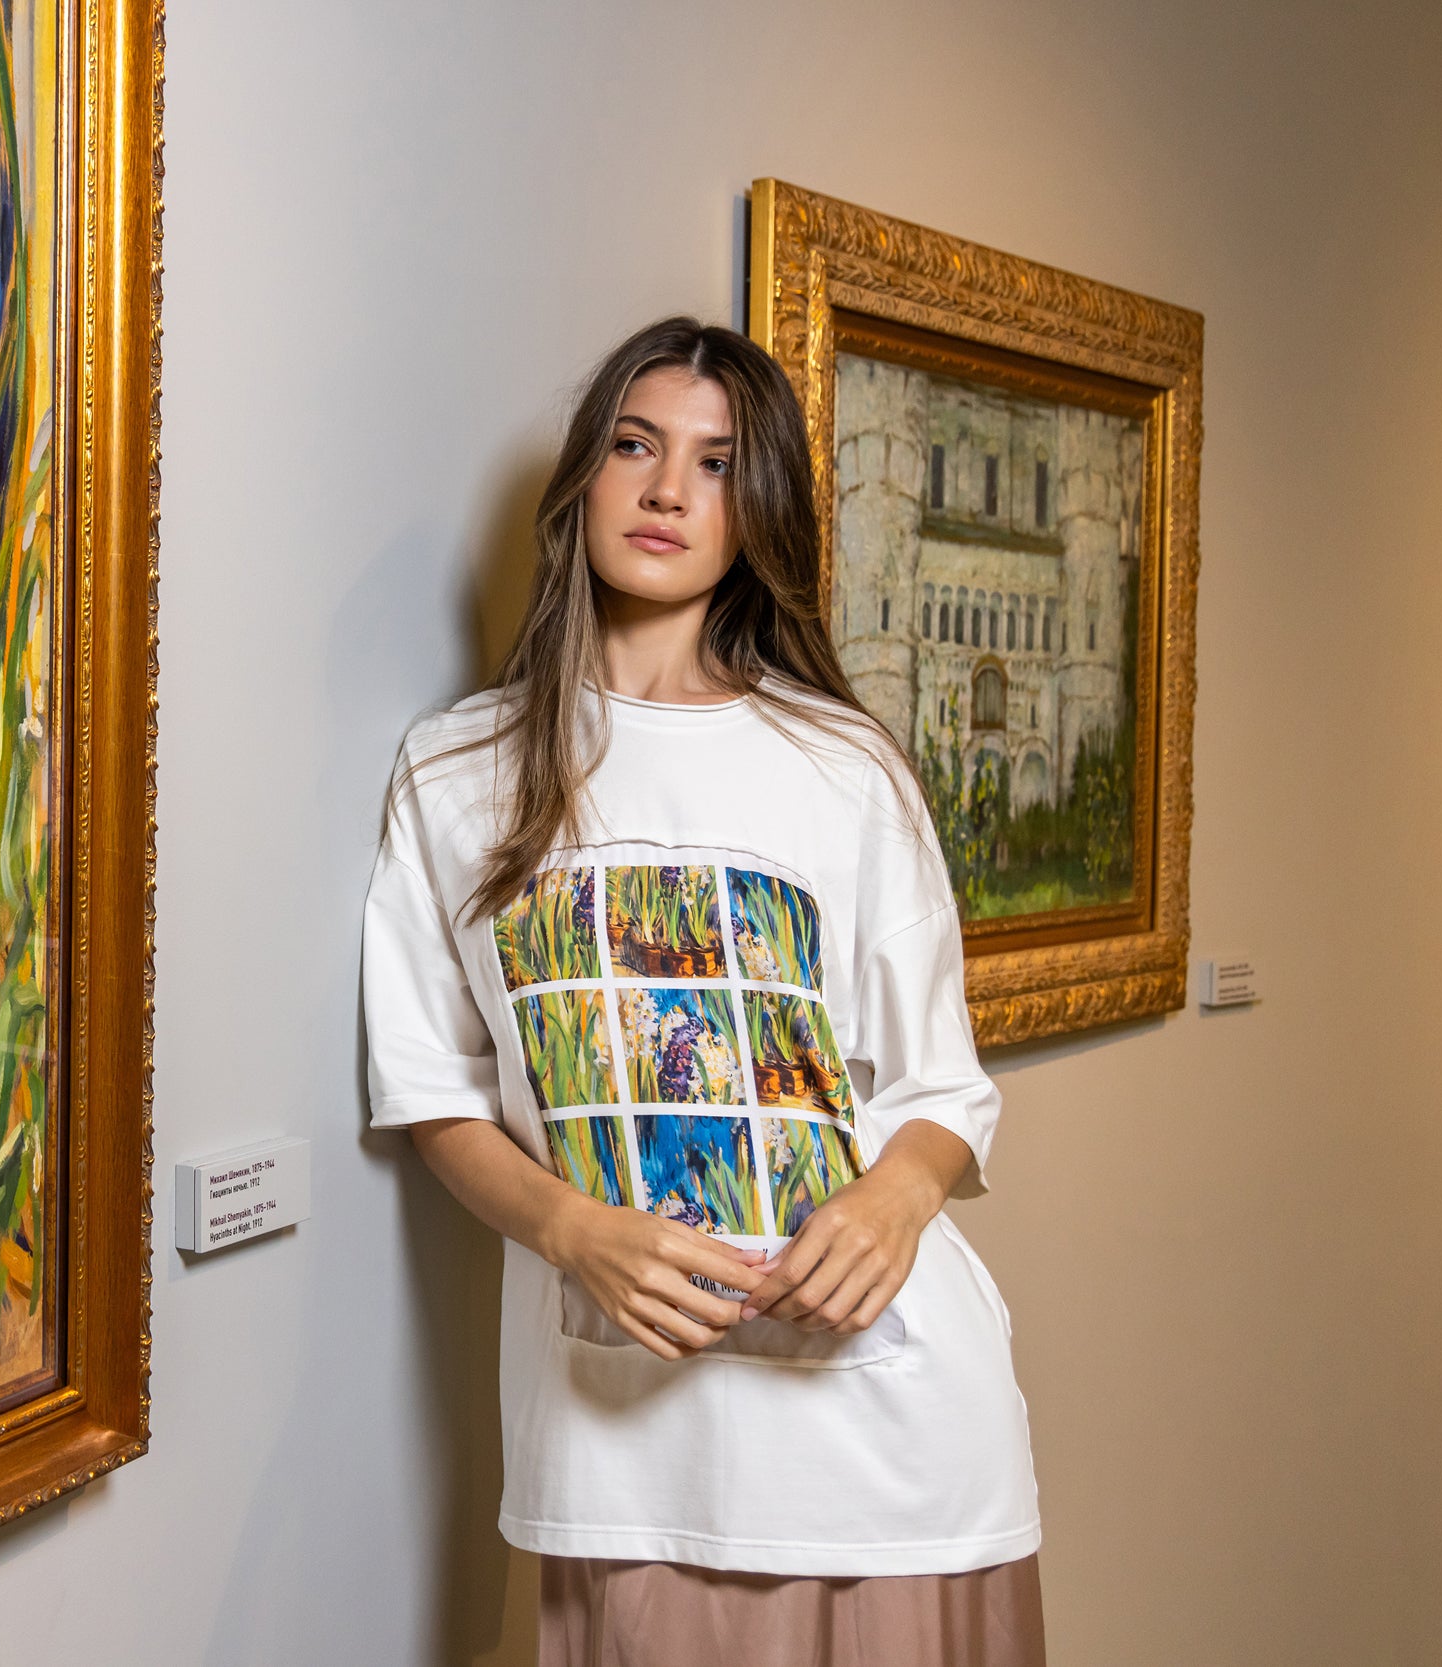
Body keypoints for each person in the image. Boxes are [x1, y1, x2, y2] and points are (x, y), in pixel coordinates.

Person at [361, 318, 1043, 1666]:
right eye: (637, 445)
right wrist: (569, 1230)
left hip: (891, 1451)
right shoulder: (455, 772)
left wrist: (896, 1196)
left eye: (720, 465)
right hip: (620, 1461)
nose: (671, 490)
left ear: (758, 512)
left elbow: (940, 1087)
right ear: (587, 476)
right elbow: (433, 1093)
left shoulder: (844, 766)